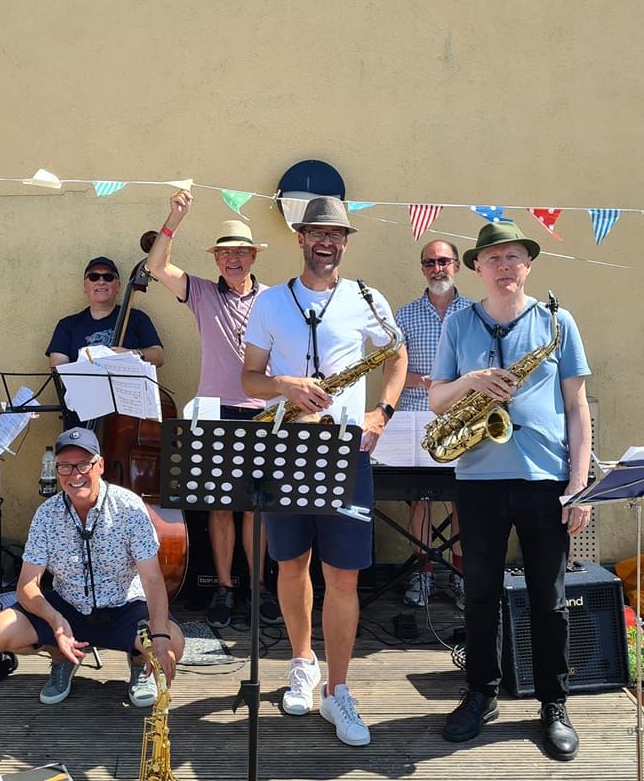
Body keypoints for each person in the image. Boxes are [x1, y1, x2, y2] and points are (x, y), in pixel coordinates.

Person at [241, 196, 407, 746]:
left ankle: (338, 692)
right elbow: (250, 379)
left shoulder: (366, 298)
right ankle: (301, 661)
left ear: (345, 242)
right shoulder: (269, 302)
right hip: (285, 447)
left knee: (342, 576)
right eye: (317, 233)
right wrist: (288, 385)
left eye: (336, 234)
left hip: (346, 453)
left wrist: (380, 413)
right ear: (301, 239)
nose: (327, 242)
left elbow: (397, 356)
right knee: (291, 566)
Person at [429, 220, 591, 761]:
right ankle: (480, 694)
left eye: (514, 257)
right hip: (479, 476)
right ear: (477, 266)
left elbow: (576, 407)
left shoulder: (557, 322)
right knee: (478, 596)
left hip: (545, 479)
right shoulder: (458, 323)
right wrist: (471, 383)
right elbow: (434, 400)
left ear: (528, 265)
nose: (504, 267)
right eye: (494, 258)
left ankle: (554, 702)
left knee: (549, 600)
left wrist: (579, 485)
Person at [146, 189, 282, 628]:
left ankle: (257, 588)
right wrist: (174, 218)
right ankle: (225, 589)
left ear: (253, 257)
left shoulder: (275, 300)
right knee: (221, 507)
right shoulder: (202, 293)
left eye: (241, 253)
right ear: (217, 261)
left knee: (256, 507)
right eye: (225, 255)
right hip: (217, 412)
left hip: (264, 410)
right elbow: (156, 266)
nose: (233, 260)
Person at [0, 426, 184, 707]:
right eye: (65, 467)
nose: (74, 475)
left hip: (125, 608)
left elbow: (152, 580)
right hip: (68, 607)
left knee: (174, 644)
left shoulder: (130, 507)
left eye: (83, 465)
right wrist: (56, 622)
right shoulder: (47, 513)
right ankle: (63, 657)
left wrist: (160, 636)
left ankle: (140, 664)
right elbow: (26, 584)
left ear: (100, 465)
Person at [395, 239, 471, 609]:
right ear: (422, 268)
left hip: (464, 419)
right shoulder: (405, 314)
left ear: (457, 266)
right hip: (415, 419)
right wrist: (429, 383)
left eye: (443, 261)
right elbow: (392, 372)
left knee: (463, 500)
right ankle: (422, 574)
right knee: (420, 500)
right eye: (430, 262)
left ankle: (459, 576)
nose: (437, 268)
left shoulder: (476, 312)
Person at [46, 256, 164, 428]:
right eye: (94, 277)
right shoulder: (67, 325)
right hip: (81, 417)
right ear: (85, 286)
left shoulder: (137, 319)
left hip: (128, 419)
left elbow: (158, 356)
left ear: (118, 287)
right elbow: (58, 366)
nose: (101, 281)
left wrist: (133, 354)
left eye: (108, 277)